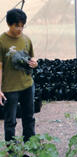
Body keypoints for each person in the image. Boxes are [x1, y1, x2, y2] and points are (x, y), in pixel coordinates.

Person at [0, 9, 38, 142]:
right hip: (10, 88)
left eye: (22, 25)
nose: (20, 29)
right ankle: (12, 148)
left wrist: (34, 63)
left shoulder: (26, 39)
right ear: (9, 24)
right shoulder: (2, 41)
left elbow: (32, 57)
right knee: (10, 121)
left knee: (29, 117)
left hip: (28, 85)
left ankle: (30, 143)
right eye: (17, 25)